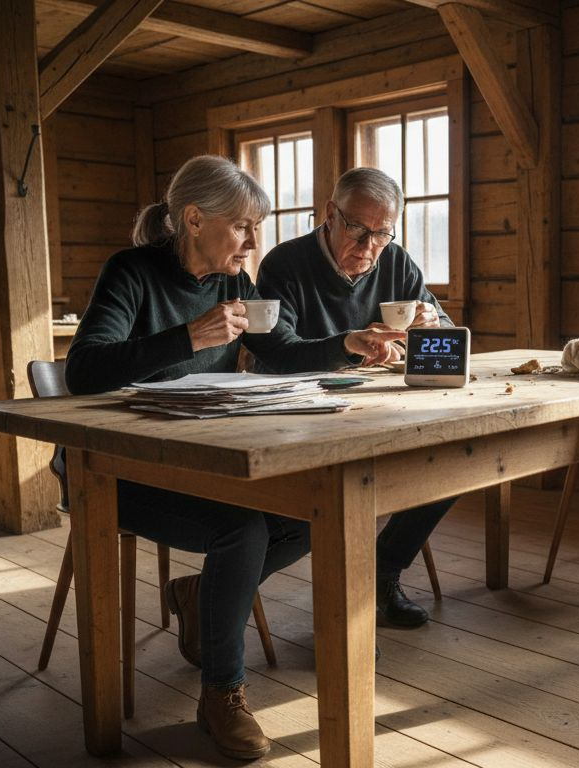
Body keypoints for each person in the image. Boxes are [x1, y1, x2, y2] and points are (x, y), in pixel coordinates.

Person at [65, 155, 402, 761]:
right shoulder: (131, 272)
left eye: (256, 227)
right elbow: (84, 371)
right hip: (116, 463)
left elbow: (285, 349)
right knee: (240, 527)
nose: (253, 242)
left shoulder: (235, 283)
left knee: (321, 509)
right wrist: (189, 336)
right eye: (243, 226)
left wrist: (348, 345)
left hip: (201, 457)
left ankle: (203, 596)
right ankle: (222, 692)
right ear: (193, 219)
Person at [254, 167, 456, 630]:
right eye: (357, 229)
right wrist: (346, 344)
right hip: (294, 411)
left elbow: (445, 337)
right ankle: (337, 624)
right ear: (330, 214)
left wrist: (432, 326)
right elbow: (276, 352)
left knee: (453, 458)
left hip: (372, 406)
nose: (368, 248)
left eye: (381, 234)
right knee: (339, 495)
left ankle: (382, 573)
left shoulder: (397, 262)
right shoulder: (285, 264)